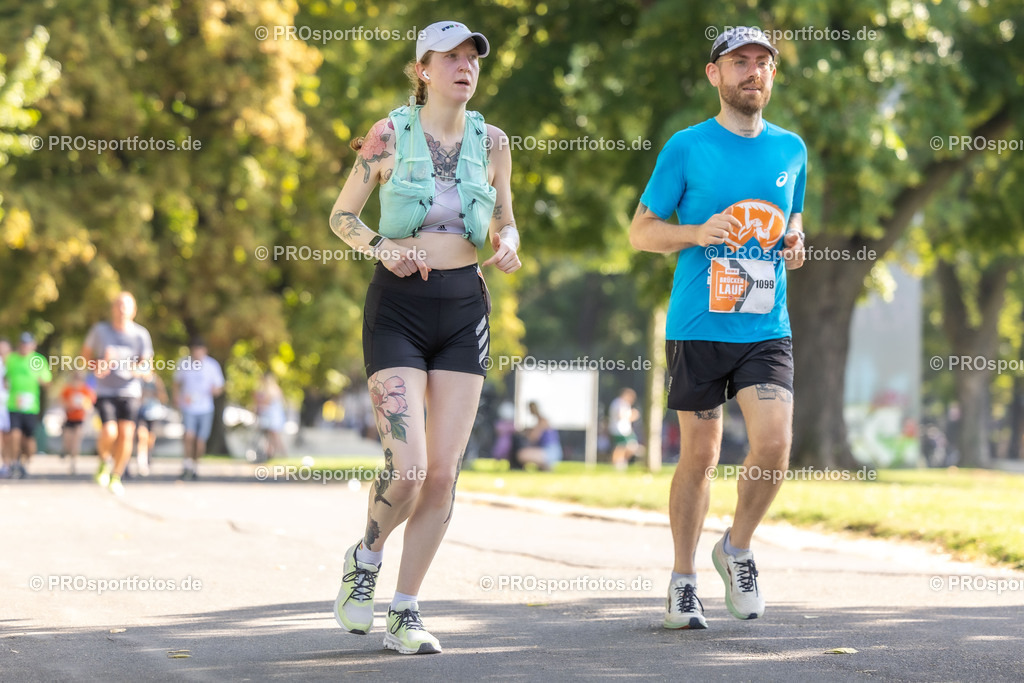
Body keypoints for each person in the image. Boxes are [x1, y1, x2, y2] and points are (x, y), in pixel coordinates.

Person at [328, 20, 520, 655]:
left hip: (465, 310)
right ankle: (366, 557)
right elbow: (341, 217)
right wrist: (383, 247)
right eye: (451, 57)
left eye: (472, 58)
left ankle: (405, 611)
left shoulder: (493, 141)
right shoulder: (387, 135)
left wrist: (508, 242)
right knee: (407, 469)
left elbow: (505, 220)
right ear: (423, 70)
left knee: (442, 474)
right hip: (398, 310)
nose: (465, 67)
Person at [629, 26, 807, 630]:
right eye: (739, 62)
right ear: (715, 74)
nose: (752, 71)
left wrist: (795, 241)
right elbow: (641, 231)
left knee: (775, 443)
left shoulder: (791, 149)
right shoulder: (686, 147)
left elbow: (793, 217)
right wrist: (694, 233)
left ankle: (737, 548)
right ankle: (683, 582)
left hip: (765, 326)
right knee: (700, 455)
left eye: (762, 62)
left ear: (772, 74)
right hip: (698, 325)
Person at [84, 291, 154, 496]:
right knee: (109, 431)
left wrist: (137, 370)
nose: (122, 309)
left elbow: (148, 367)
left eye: (126, 306)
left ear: (134, 311)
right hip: (105, 390)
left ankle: (116, 476)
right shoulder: (100, 331)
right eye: (119, 305)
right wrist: (98, 365)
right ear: (113, 309)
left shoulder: (141, 334)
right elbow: (85, 358)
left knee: (127, 434)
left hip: (130, 391)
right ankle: (103, 461)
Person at [172, 338, 225, 480]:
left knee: (200, 440)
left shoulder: (212, 365)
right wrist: (176, 397)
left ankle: (195, 465)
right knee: (189, 436)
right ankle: (187, 464)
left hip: (205, 408)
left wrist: (215, 390)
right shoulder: (184, 363)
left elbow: (219, 387)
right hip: (188, 406)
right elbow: (176, 382)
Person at [2, 333, 53, 479]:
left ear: (33, 345)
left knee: (28, 440)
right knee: (14, 434)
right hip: (14, 404)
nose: (24, 346)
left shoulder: (38, 360)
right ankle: (13, 463)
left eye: (27, 343)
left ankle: (25, 462)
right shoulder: (11, 359)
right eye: (22, 343)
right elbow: (5, 376)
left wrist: (41, 380)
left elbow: (47, 381)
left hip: (31, 406)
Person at [61, 371, 96, 474]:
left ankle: (73, 463)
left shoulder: (86, 390)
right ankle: (66, 451)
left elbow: (90, 405)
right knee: (68, 442)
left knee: (76, 442)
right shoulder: (68, 389)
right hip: (69, 419)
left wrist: (84, 406)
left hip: (80, 420)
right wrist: (69, 405)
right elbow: (62, 402)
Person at [136, 373, 169, 476]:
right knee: (142, 436)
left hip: (153, 412)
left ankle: (148, 456)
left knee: (150, 437)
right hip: (140, 411)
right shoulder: (137, 379)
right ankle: (141, 461)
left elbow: (163, 397)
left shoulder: (156, 380)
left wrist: (154, 393)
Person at [515, 401, 562, 471]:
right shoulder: (539, 422)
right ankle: (543, 468)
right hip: (546, 450)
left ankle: (546, 466)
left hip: (551, 452)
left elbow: (533, 437)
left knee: (521, 455)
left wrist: (523, 434)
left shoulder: (542, 421)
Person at [254, 371, 287, 460]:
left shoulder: (272, 390)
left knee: (275, 437)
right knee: (270, 437)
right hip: (271, 416)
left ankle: (283, 455)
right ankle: (270, 454)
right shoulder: (271, 389)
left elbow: (266, 402)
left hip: (274, 417)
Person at [609, 388, 640, 470]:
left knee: (631, 446)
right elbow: (621, 416)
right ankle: (617, 463)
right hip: (619, 429)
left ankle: (621, 461)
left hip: (625, 430)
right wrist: (632, 415)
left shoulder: (624, 404)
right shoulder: (619, 403)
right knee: (620, 447)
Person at [0, 338, 11, 477]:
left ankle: (9, 462)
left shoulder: (13, 363)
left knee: (9, 437)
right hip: (1, 405)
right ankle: (5, 464)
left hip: (12, 404)